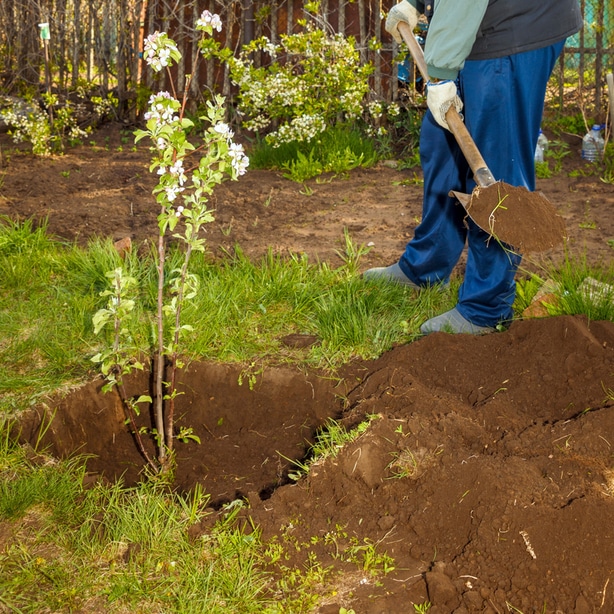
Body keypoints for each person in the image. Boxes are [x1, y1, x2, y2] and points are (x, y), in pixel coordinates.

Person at [364, 0, 583, 334]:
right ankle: (426, 266)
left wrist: (441, 69)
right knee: (441, 145)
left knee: (497, 164)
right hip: (475, 22)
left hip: (514, 28)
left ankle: (486, 307)